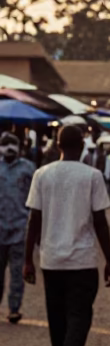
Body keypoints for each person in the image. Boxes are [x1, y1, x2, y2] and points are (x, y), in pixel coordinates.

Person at [23, 124, 110, 346]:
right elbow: (100, 221)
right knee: (80, 315)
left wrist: (28, 260)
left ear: (57, 145)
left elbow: (34, 220)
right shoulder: (92, 176)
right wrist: (109, 260)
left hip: (51, 260)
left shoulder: (42, 175)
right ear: (84, 145)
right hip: (83, 260)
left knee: (57, 316)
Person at [0, 131, 36, 323]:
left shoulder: (28, 169)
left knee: (16, 273)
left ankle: (14, 308)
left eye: (12, 143)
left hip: (20, 229)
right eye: (5, 144)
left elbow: (35, 201)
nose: (9, 147)